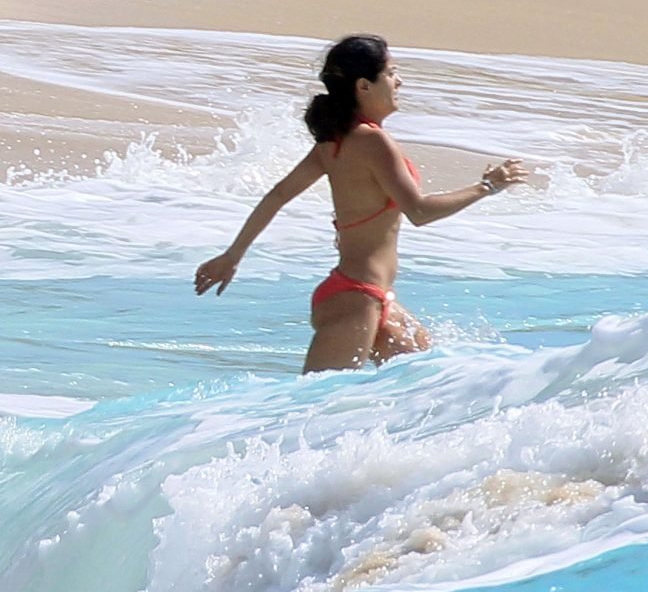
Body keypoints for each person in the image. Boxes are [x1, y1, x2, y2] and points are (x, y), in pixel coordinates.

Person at [194, 34, 528, 372]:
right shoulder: (371, 141)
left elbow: (278, 196)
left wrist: (232, 256)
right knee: (316, 399)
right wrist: (487, 186)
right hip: (355, 299)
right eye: (391, 73)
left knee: (432, 382)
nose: (399, 81)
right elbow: (419, 211)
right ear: (364, 86)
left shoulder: (335, 142)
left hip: (369, 296)